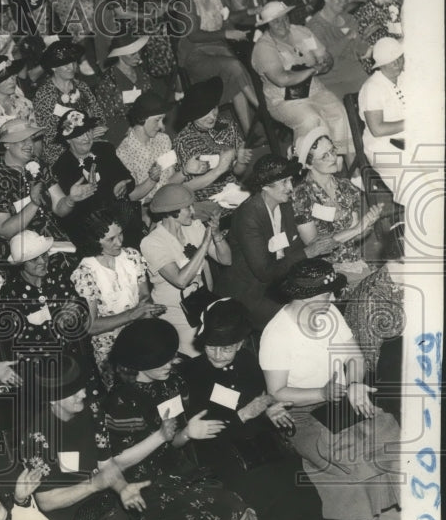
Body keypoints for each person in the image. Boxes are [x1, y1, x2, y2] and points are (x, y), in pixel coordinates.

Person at [99, 319, 312, 520]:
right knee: (219, 514)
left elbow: (176, 438)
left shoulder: (171, 381)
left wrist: (186, 433)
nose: (172, 362)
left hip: (177, 465)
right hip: (142, 482)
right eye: (163, 360)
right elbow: (119, 463)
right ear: (138, 364)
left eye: (172, 355)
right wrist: (162, 436)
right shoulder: (121, 400)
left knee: (231, 505)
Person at [261, 259, 402, 520]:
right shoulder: (276, 334)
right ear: (307, 298)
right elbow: (277, 393)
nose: (334, 301)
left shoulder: (329, 314)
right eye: (328, 296)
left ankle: (366, 515)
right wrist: (321, 393)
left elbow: (356, 359)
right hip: (299, 411)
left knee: (388, 435)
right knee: (346, 453)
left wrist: (353, 385)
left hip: (338, 397)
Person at [182, 298, 325, 520]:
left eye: (226, 348)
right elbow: (206, 426)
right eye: (211, 347)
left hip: (255, 435)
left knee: (289, 472)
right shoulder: (195, 371)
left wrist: (269, 410)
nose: (217, 355)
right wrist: (244, 414)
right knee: (258, 486)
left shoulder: (248, 360)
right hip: (217, 444)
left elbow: (260, 396)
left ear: (239, 344)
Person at [13, 351, 156, 520]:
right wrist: (94, 484)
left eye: (82, 388)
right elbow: (46, 502)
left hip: (101, 503)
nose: (83, 394)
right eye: (74, 392)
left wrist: (122, 487)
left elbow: (106, 463)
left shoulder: (92, 410)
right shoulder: (36, 437)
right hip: (65, 518)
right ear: (52, 399)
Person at [218, 154, 337, 329]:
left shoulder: (285, 206)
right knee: (300, 319)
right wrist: (308, 252)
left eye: (290, 180)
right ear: (265, 186)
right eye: (284, 182)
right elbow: (264, 272)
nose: (290, 187)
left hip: (279, 282)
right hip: (251, 293)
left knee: (324, 302)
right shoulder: (249, 216)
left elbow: (293, 246)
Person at [72, 208, 164, 387]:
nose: (119, 241)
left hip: (138, 337)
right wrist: (132, 314)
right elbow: (90, 326)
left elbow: (144, 293)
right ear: (94, 240)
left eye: (120, 234)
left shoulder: (131, 256)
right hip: (110, 350)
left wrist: (147, 309)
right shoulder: (86, 272)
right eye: (110, 239)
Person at [0, 230, 89, 381]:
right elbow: (21, 343)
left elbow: (80, 306)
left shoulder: (57, 276)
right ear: (21, 265)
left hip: (76, 354)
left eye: (44, 255)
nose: (43, 262)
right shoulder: (11, 296)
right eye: (34, 260)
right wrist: (55, 325)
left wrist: (75, 313)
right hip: (43, 369)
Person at [250, 1, 350, 158]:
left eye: (284, 18)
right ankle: (302, 165)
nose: (282, 23)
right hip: (283, 98)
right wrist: (312, 69)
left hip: (313, 89)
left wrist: (326, 63)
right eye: (276, 21)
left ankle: (343, 163)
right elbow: (282, 79)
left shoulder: (302, 32)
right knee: (311, 119)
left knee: (338, 111)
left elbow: (324, 56)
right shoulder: (263, 47)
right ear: (268, 24)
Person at [140, 184, 231, 356]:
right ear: (171, 212)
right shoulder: (152, 242)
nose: (193, 211)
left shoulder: (194, 227)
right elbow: (181, 281)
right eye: (187, 208)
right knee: (200, 355)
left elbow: (226, 260)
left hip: (200, 304)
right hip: (176, 312)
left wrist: (217, 235)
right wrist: (204, 243)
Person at [175, 0, 258, 136]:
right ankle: (259, 106)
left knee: (236, 73)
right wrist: (227, 33)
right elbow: (194, 36)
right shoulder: (187, 4)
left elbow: (227, 23)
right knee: (234, 66)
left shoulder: (215, 0)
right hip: (195, 56)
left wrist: (245, 18)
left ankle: (249, 131)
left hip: (218, 52)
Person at [292, 127, 383, 282]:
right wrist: (357, 228)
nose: (333, 158)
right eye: (324, 156)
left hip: (352, 262)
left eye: (332, 151)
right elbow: (314, 246)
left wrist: (367, 225)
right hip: (323, 271)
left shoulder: (346, 187)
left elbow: (354, 238)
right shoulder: (302, 195)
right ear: (308, 164)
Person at [51, 108, 142, 249]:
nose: (87, 138)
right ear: (68, 140)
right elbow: (71, 213)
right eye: (80, 134)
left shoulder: (105, 149)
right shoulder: (62, 167)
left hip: (121, 217)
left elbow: (128, 178)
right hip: (90, 229)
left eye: (88, 131)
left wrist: (122, 184)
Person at [173, 77, 253, 204]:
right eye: (205, 112)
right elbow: (185, 187)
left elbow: (237, 172)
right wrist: (219, 170)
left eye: (214, 108)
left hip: (233, 193)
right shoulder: (184, 140)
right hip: (204, 200)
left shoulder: (227, 125)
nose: (212, 116)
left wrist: (241, 162)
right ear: (193, 114)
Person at [33, 40, 104, 164]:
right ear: (53, 67)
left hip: (89, 144)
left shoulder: (82, 86)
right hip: (60, 155)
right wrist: (80, 137)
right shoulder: (44, 94)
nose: (71, 67)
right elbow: (49, 136)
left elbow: (98, 115)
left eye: (73, 62)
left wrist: (94, 130)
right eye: (65, 64)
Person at [306, 0, 371, 98]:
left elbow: (357, 47)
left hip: (355, 73)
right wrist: (346, 39)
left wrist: (367, 47)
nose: (344, 1)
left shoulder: (349, 19)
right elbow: (323, 60)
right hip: (331, 81)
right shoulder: (313, 27)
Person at [358, 38, 405, 202]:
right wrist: (412, 122)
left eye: (400, 57)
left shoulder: (404, 79)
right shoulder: (373, 87)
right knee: (415, 183)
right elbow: (377, 129)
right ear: (381, 65)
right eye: (392, 61)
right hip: (384, 147)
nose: (398, 63)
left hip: (409, 141)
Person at [115, 94, 183, 204]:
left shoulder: (164, 140)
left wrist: (185, 172)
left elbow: (171, 179)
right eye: (157, 120)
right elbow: (132, 196)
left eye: (163, 120)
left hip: (168, 200)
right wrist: (152, 180)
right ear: (142, 118)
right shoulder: (123, 152)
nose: (162, 126)